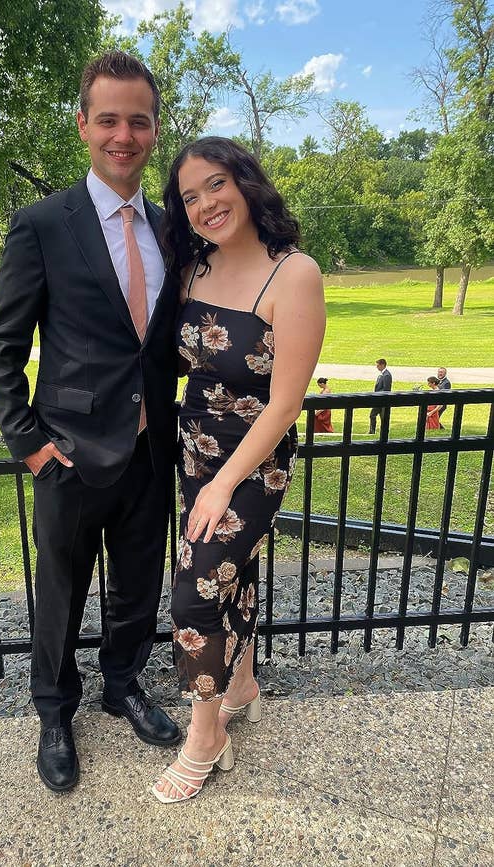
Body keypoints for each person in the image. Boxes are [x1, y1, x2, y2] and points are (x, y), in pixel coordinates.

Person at [0, 51, 181, 795]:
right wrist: (32, 447)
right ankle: (54, 711)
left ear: (154, 129)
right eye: (109, 119)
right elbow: (2, 349)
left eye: (137, 120)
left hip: (149, 451)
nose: (123, 134)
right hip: (66, 454)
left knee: (138, 584)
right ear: (83, 125)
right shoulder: (42, 225)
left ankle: (122, 683)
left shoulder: (171, 230)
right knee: (62, 594)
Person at [154, 136, 325, 803]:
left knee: (195, 594)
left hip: (254, 466)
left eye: (215, 185)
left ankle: (205, 736)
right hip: (194, 452)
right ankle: (243, 685)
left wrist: (226, 481)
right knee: (234, 574)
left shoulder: (295, 273)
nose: (204, 204)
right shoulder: (194, 268)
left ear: (246, 183)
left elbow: (286, 402)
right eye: (189, 197)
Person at [368, 358, 392, 434]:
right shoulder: (382, 374)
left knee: (373, 415)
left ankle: (372, 431)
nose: (377, 367)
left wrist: (378, 395)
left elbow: (386, 389)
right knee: (382, 416)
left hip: (381, 400)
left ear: (383, 365)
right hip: (379, 399)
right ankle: (383, 431)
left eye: (378, 365)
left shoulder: (386, 375)